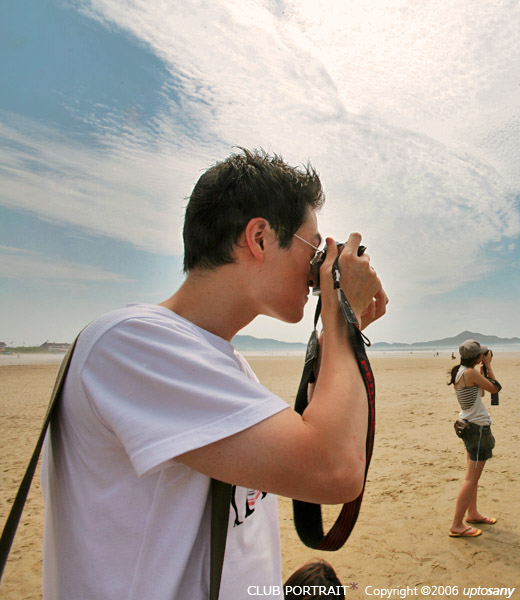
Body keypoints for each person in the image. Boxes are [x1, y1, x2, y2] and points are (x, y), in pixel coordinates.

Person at [40, 148, 388, 600]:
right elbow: (335, 470)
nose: (317, 268)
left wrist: (339, 331)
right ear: (260, 238)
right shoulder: (130, 344)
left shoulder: (222, 365)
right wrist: (344, 318)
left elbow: (321, 441)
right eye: (312, 248)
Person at [447, 339, 500, 537]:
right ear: (478, 357)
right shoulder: (470, 373)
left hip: (469, 425)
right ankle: (456, 525)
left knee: (473, 478)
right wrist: (489, 366)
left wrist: (482, 368)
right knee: (471, 479)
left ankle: (473, 513)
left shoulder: (461, 371)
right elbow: (494, 389)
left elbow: (483, 395)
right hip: (477, 429)